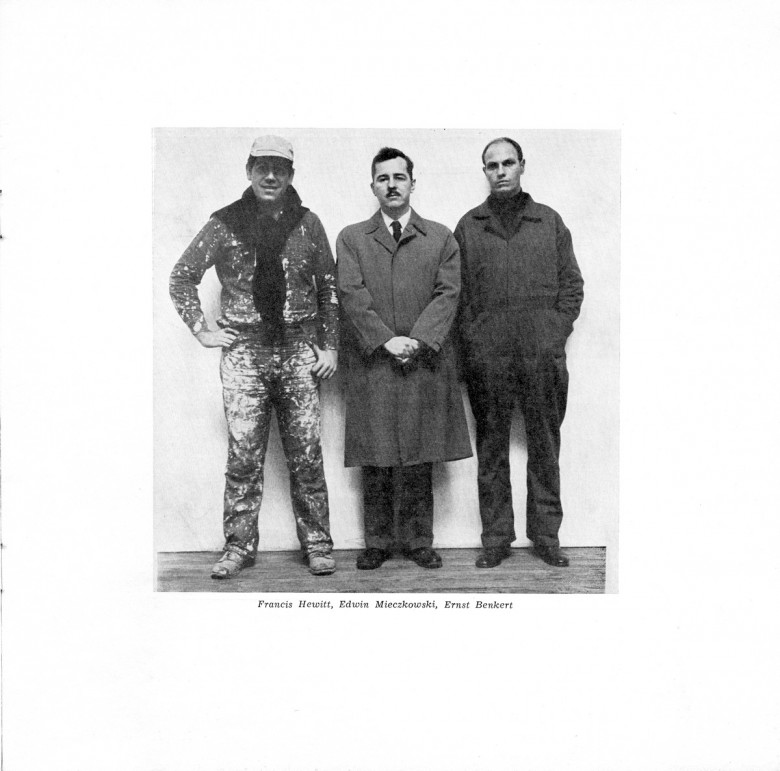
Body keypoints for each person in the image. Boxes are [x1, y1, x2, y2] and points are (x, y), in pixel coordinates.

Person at [169, 135, 339, 578]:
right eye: (262, 167)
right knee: (243, 457)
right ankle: (238, 547)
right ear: (249, 171)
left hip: (298, 352)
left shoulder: (308, 224)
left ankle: (318, 545)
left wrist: (329, 345)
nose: (270, 176)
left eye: (279, 169)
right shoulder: (224, 223)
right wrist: (202, 330)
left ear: (290, 175)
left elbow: (329, 288)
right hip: (244, 355)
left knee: (307, 455)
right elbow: (182, 276)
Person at [336, 147, 472, 570]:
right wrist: (384, 340)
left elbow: (449, 292)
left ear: (413, 183)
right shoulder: (352, 238)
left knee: (418, 454)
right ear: (372, 186)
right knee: (376, 454)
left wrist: (417, 339)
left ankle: (418, 541)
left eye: (399, 177)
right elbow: (350, 293)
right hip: (374, 362)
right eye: (383, 178)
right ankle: (376, 542)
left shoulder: (441, 237)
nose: (392, 185)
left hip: (422, 361)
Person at [455, 137, 584, 569]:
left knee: (544, 446)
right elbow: (457, 295)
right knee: (491, 449)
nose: (501, 171)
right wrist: (475, 343)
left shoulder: (548, 222)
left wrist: (552, 334)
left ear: (522, 166)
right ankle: (496, 540)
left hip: (540, 358)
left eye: (508, 163)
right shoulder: (470, 225)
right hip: (488, 361)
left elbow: (572, 286)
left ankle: (546, 537)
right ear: (485, 172)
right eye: (492, 165)